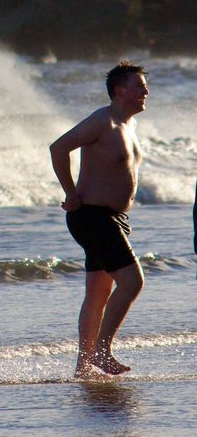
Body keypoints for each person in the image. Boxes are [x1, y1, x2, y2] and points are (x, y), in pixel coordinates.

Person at [49, 61, 150, 378]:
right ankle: (101, 351)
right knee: (132, 282)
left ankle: (83, 368)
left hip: (112, 218)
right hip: (92, 216)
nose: (146, 91)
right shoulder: (102, 121)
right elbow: (58, 148)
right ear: (119, 91)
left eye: (145, 86)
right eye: (138, 86)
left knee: (98, 292)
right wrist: (70, 193)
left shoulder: (129, 125)